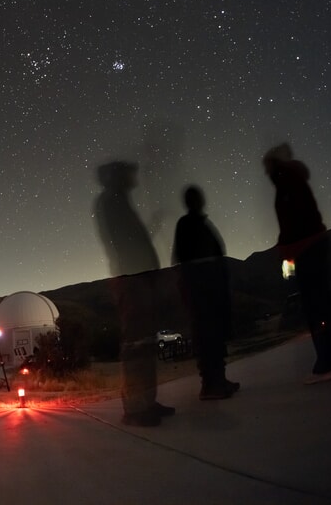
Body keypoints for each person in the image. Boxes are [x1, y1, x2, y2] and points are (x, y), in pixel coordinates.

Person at [95, 161, 175, 426]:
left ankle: (146, 402)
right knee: (136, 342)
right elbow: (123, 241)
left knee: (145, 340)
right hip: (131, 278)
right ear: (118, 176)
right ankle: (136, 408)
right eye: (129, 173)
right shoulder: (111, 201)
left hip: (138, 276)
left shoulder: (118, 201)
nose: (134, 177)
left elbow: (131, 238)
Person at [263, 143, 331, 384]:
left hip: (305, 249)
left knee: (315, 307)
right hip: (314, 245)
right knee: (324, 303)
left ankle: (326, 363)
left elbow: (291, 224)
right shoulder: (295, 178)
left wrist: (285, 252)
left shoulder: (285, 181)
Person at [172, 185, 240, 399]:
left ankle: (218, 380)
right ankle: (211, 385)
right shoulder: (186, 224)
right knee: (207, 335)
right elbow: (182, 260)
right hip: (201, 287)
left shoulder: (199, 223)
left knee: (215, 334)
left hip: (210, 284)